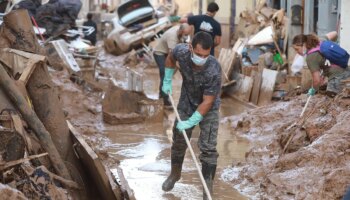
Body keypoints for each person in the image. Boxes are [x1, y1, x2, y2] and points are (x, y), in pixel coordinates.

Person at [161, 31, 221, 200]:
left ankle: (206, 192)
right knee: (179, 140)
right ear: (190, 47)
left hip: (208, 108)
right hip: (187, 101)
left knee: (209, 149)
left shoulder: (214, 69)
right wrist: (167, 79)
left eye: (205, 55)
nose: (201, 58)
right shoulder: (181, 51)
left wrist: (192, 122)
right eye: (198, 54)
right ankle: (175, 174)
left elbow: (208, 101)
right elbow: (171, 57)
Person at [153, 23, 192, 107]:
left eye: (188, 35)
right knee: (165, 74)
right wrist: (180, 67)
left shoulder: (180, 32)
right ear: (181, 31)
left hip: (168, 52)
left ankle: (161, 94)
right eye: (185, 34)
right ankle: (164, 99)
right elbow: (173, 56)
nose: (186, 36)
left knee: (169, 75)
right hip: (160, 53)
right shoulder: (172, 37)